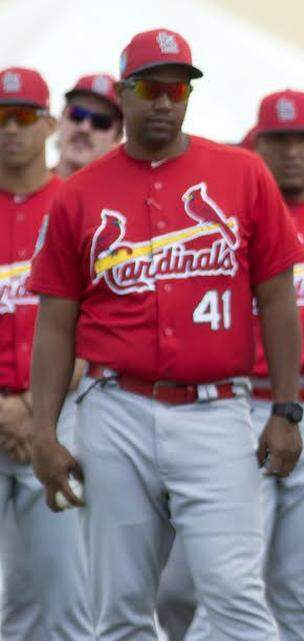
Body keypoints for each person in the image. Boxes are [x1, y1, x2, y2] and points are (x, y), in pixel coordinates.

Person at [28, 28, 304, 641]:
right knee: (121, 606)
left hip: (216, 408)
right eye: (151, 87)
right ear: (124, 93)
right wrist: (44, 431)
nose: (164, 101)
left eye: (177, 87)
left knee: (235, 597)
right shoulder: (79, 196)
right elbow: (55, 325)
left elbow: (278, 298)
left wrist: (286, 408)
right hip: (115, 406)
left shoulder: (243, 174)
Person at [159, 89, 304, 641]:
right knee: (210, 584)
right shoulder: (228, 214)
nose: (291, 151)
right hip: (242, 404)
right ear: (258, 143)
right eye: (278, 138)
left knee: (295, 588)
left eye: (302, 138)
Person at [0, 65, 91, 641]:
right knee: (15, 608)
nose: (11, 130)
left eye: (24, 117)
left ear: (50, 124)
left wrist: (40, 404)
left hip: (59, 414)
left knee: (67, 596)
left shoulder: (77, 204)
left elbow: (100, 315)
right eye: (1, 118)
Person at [55, 73, 123, 179]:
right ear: (60, 119)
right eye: (77, 114)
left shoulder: (125, 195)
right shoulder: (23, 189)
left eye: (100, 121)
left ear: (117, 139)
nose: (85, 128)